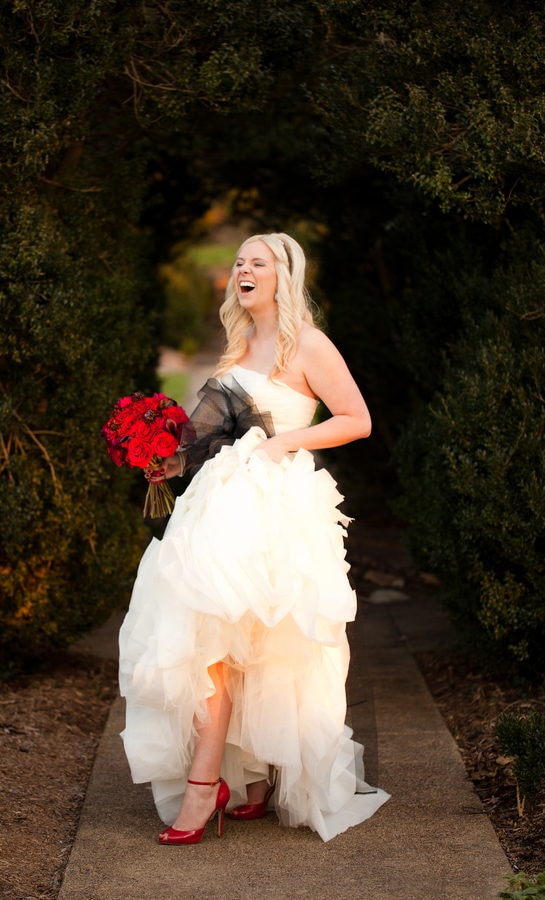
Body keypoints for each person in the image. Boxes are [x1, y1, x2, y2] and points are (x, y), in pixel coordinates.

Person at [118, 232, 390, 845]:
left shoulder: (309, 343)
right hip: (222, 500)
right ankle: (242, 781)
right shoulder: (239, 342)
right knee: (213, 635)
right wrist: (168, 461)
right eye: (239, 261)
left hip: (279, 504)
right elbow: (211, 435)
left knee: (260, 642)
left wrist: (284, 441)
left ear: (282, 276)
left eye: (257, 262)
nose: (243, 269)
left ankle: (208, 784)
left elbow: (358, 420)